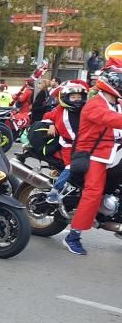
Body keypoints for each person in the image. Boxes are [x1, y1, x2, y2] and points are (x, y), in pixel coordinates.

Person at [63, 68, 122, 255]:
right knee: (93, 193)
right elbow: (111, 120)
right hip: (94, 154)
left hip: (114, 153)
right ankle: (73, 235)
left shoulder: (117, 104)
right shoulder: (95, 104)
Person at [43, 81, 88, 204]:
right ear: (66, 98)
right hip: (68, 145)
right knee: (72, 166)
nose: (77, 100)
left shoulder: (86, 109)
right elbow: (47, 115)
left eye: (79, 97)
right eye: (73, 97)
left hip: (85, 144)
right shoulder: (60, 110)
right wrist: (51, 124)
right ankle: (55, 191)